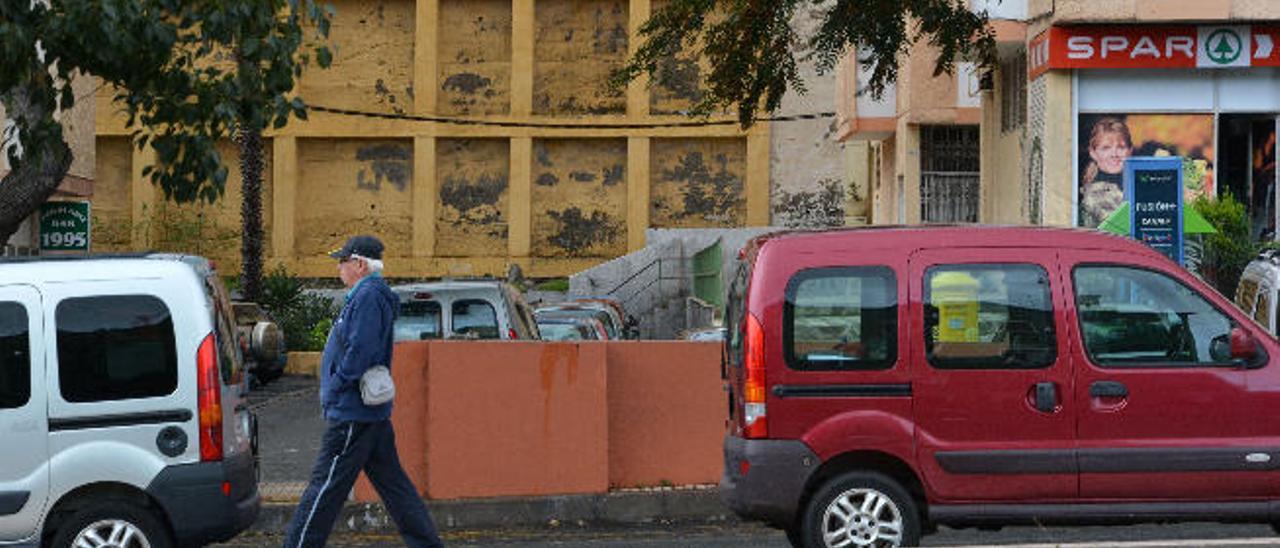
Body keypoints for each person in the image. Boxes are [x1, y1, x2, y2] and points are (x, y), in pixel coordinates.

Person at [283, 235, 445, 548]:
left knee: (325, 486)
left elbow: (362, 348)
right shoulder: (367, 295)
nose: (339, 269)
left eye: (343, 262)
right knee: (394, 487)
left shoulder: (368, 297)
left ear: (359, 264)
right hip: (366, 413)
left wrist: (340, 382)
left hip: (352, 412)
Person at [1080, 117, 1133, 227]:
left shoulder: (1136, 184)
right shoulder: (1094, 194)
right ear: (1093, 152)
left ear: (1130, 150)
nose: (1114, 154)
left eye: (1121, 147)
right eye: (1106, 148)